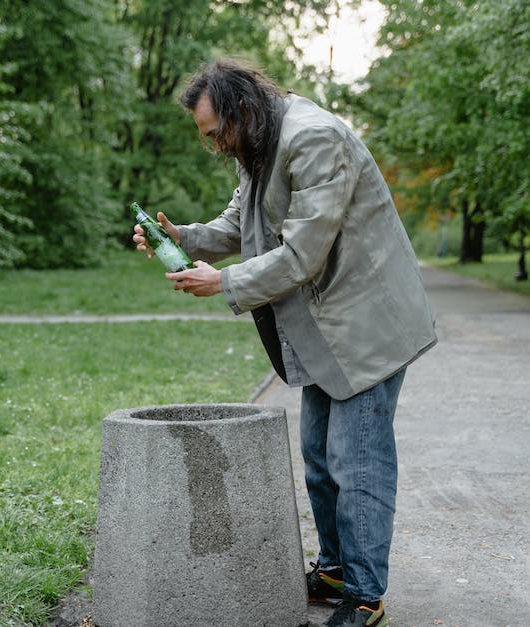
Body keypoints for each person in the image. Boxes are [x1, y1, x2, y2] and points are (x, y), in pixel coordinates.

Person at [132, 59, 436, 627]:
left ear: (241, 110)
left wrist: (222, 281)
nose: (215, 146)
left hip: (365, 326)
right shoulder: (260, 141)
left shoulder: (313, 137)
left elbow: (302, 253)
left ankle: (366, 597)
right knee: (320, 459)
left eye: (216, 132)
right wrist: (181, 237)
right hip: (324, 331)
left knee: (357, 463)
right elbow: (239, 224)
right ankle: (337, 570)